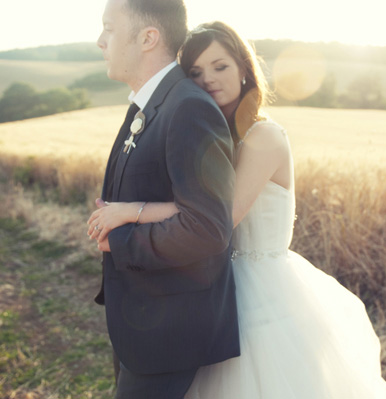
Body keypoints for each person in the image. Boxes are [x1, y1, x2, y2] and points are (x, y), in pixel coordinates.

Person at [89, 21, 386, 398]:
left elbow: (220, 215)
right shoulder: (218, 134)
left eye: (221, 66)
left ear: (244, 69)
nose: (209, 80)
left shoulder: (263, 137)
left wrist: (130, 211)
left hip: (263, 291)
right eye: (197, 72)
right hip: (219, 281)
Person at [91, 3, 240, 398]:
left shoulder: (188, 107)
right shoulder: (148, 104)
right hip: (139, 317)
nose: (100, 40)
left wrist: (119, 241)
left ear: (148, 38)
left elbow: (207, 228)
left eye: (109, 28)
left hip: (169, 329)